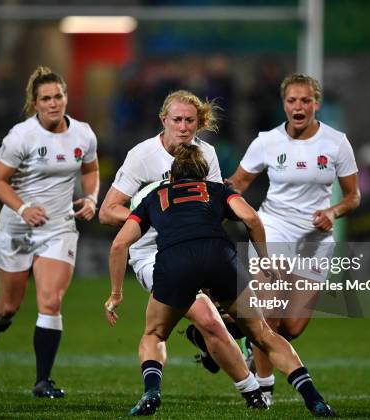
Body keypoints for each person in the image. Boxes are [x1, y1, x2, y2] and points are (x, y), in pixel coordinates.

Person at [104, 144, 336, 417]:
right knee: (263, 334)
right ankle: (314, 399)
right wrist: (264, 259)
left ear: (173, 176)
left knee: (155, 333)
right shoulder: (216, 190)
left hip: (175, 263)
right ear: (204, 175)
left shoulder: (155, 197)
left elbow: (119, 245)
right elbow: (251, 217)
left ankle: (152, 392)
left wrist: (116, 294)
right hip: (220, 258)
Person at [99, 90, 265, 407]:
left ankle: (218, 350)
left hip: (196, 249)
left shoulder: (207, 155)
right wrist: (153, 217)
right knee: (209, 319)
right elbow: (107, 211)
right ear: (164, 120)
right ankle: (253, 393)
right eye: (177, 120)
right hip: (153, 255)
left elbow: (213, 205)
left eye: (190, 120)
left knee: (237, 316)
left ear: (199, 123)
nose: (184, 127)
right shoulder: (142, 156)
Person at [224, 73, 360, 405]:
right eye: (292, 101)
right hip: (274, 230)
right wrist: (207, 196)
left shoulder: (336, 142)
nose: (298, 107)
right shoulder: (267, 141)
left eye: (305, 100)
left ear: (317, 103)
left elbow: (353, 196)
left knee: (294, 326)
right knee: (269, 315)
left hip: (315, 240)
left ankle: (230, 328)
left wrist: (334, 212)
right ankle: (263, 387)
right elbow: (237, 184)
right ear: (284, 103)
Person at [0, 66, 100, 398]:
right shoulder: (20, 137)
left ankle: (42, 381)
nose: (54, 103)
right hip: (16, 228)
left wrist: (92, 198)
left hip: (59, 229)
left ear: (66, 96)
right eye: (46, 98)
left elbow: (91, 168)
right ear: (35, 103)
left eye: (59, 96)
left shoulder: (83, 134)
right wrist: (24, 208)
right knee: (10, 306)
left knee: (51, 301)